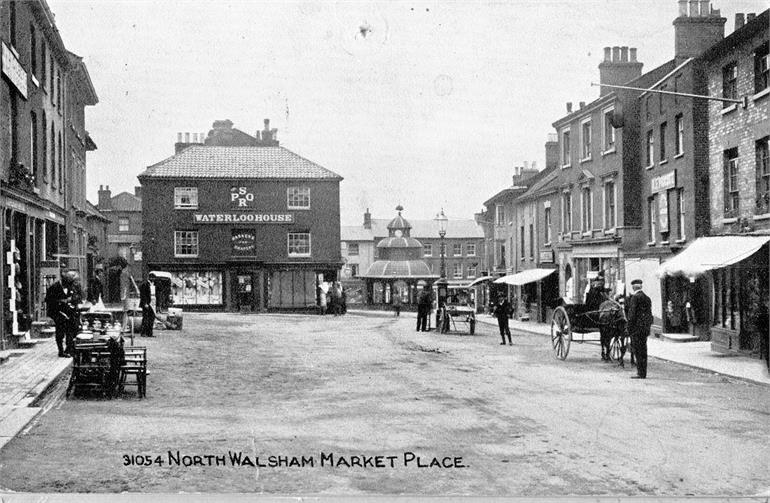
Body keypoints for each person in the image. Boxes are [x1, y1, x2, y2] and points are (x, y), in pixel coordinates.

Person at [45, 270, 82, 357]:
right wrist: (61, 301)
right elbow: (48, 300)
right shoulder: (54, 287)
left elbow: (75, 297)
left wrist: (72, 300)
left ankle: (69, 348)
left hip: (67, 311)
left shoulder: (70, 287)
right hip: (56, 311)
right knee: (60, 329)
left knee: (72, 327)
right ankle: (61, 351)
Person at [627, 278, 653, 379]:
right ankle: (643, 372)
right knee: (644, 351)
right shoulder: (647, 298)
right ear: (641, 286)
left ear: (633, 287)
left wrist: (629, 328)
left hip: (636, 329)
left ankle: (640, 373)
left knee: (638, 351)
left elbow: (632, 315)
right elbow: (649, 315)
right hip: (644, 329)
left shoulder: (635, 298)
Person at [139, 273, 156, 337]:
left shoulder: (154, 285)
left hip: (153, 303)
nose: (153, 279)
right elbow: (143, 295)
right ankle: (143, 333)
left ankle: (149, 333)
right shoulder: (145, 285)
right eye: (152, 278)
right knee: (145, 318)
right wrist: (145, 303)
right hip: (147, 303)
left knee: (151, 318)